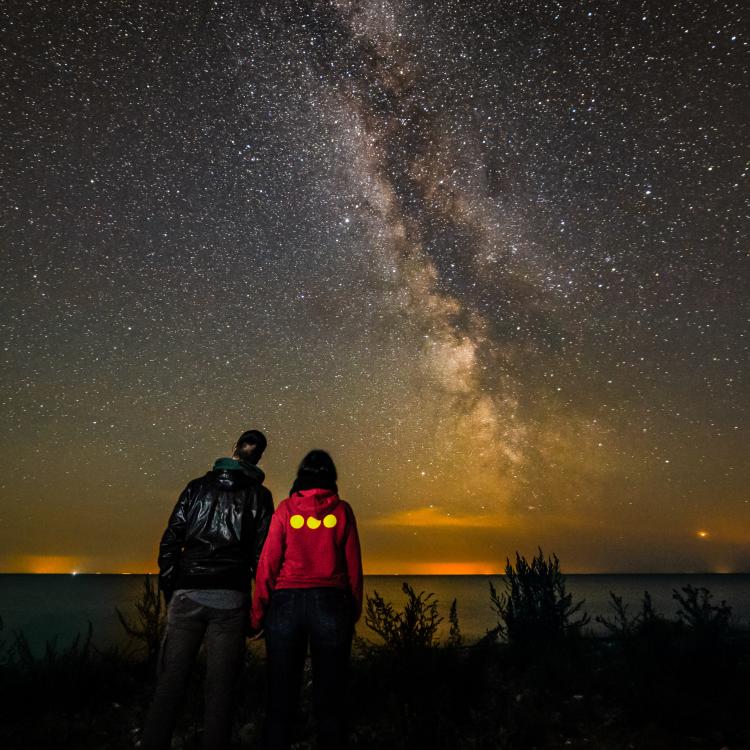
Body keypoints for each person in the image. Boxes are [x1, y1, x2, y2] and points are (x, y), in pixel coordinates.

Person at [142, 429, 274, 750]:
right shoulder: (260, 496)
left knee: (169, 684)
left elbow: (170, 543)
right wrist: (261, 610)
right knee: (220, 691)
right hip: (231, 598)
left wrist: (172, 592)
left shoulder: (196, 488)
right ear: (258, 458)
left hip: (187, 594)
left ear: (233, 450)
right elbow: (263, 559)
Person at [251, 449, 363, 750]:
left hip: (285, 605)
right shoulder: (342, 511)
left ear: (300, 476)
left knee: (280, 700)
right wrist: (352, 610)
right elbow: (353, 566)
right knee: (331, 701)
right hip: (331, 604)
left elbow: (268, 563)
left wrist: (257, 613)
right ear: (331, 478)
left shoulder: (286, 509)